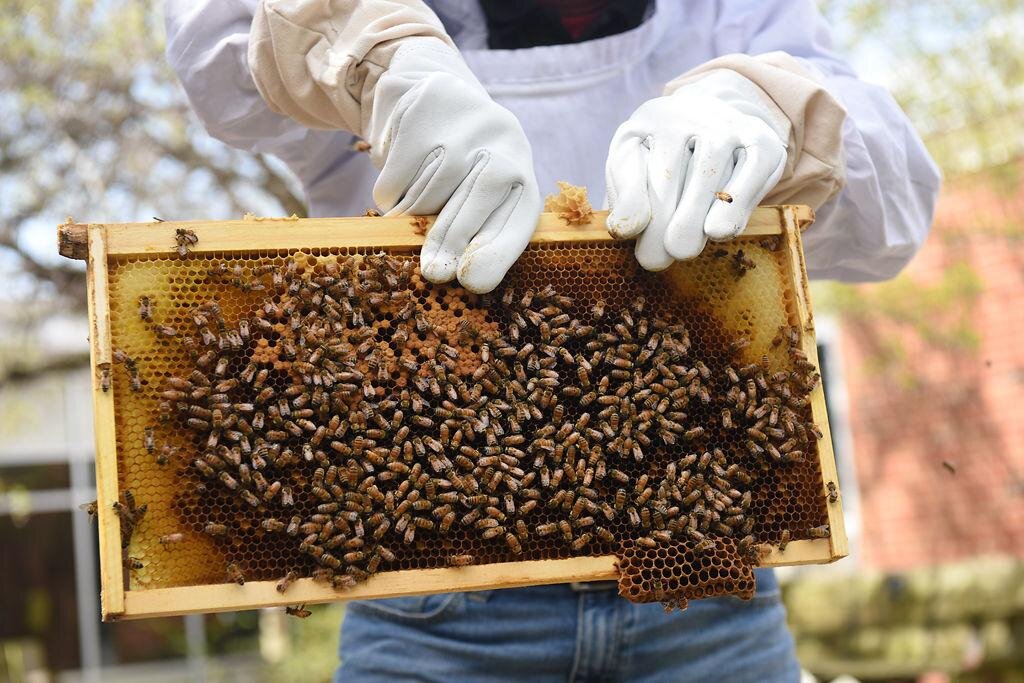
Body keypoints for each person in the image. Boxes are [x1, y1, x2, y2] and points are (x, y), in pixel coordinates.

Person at [164, 1, 940, 680]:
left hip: (712, 570)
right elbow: (216, 39)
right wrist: (380, 59)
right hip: (433, 592)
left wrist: (774, 111)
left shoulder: (728, 9)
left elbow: (897, 203)